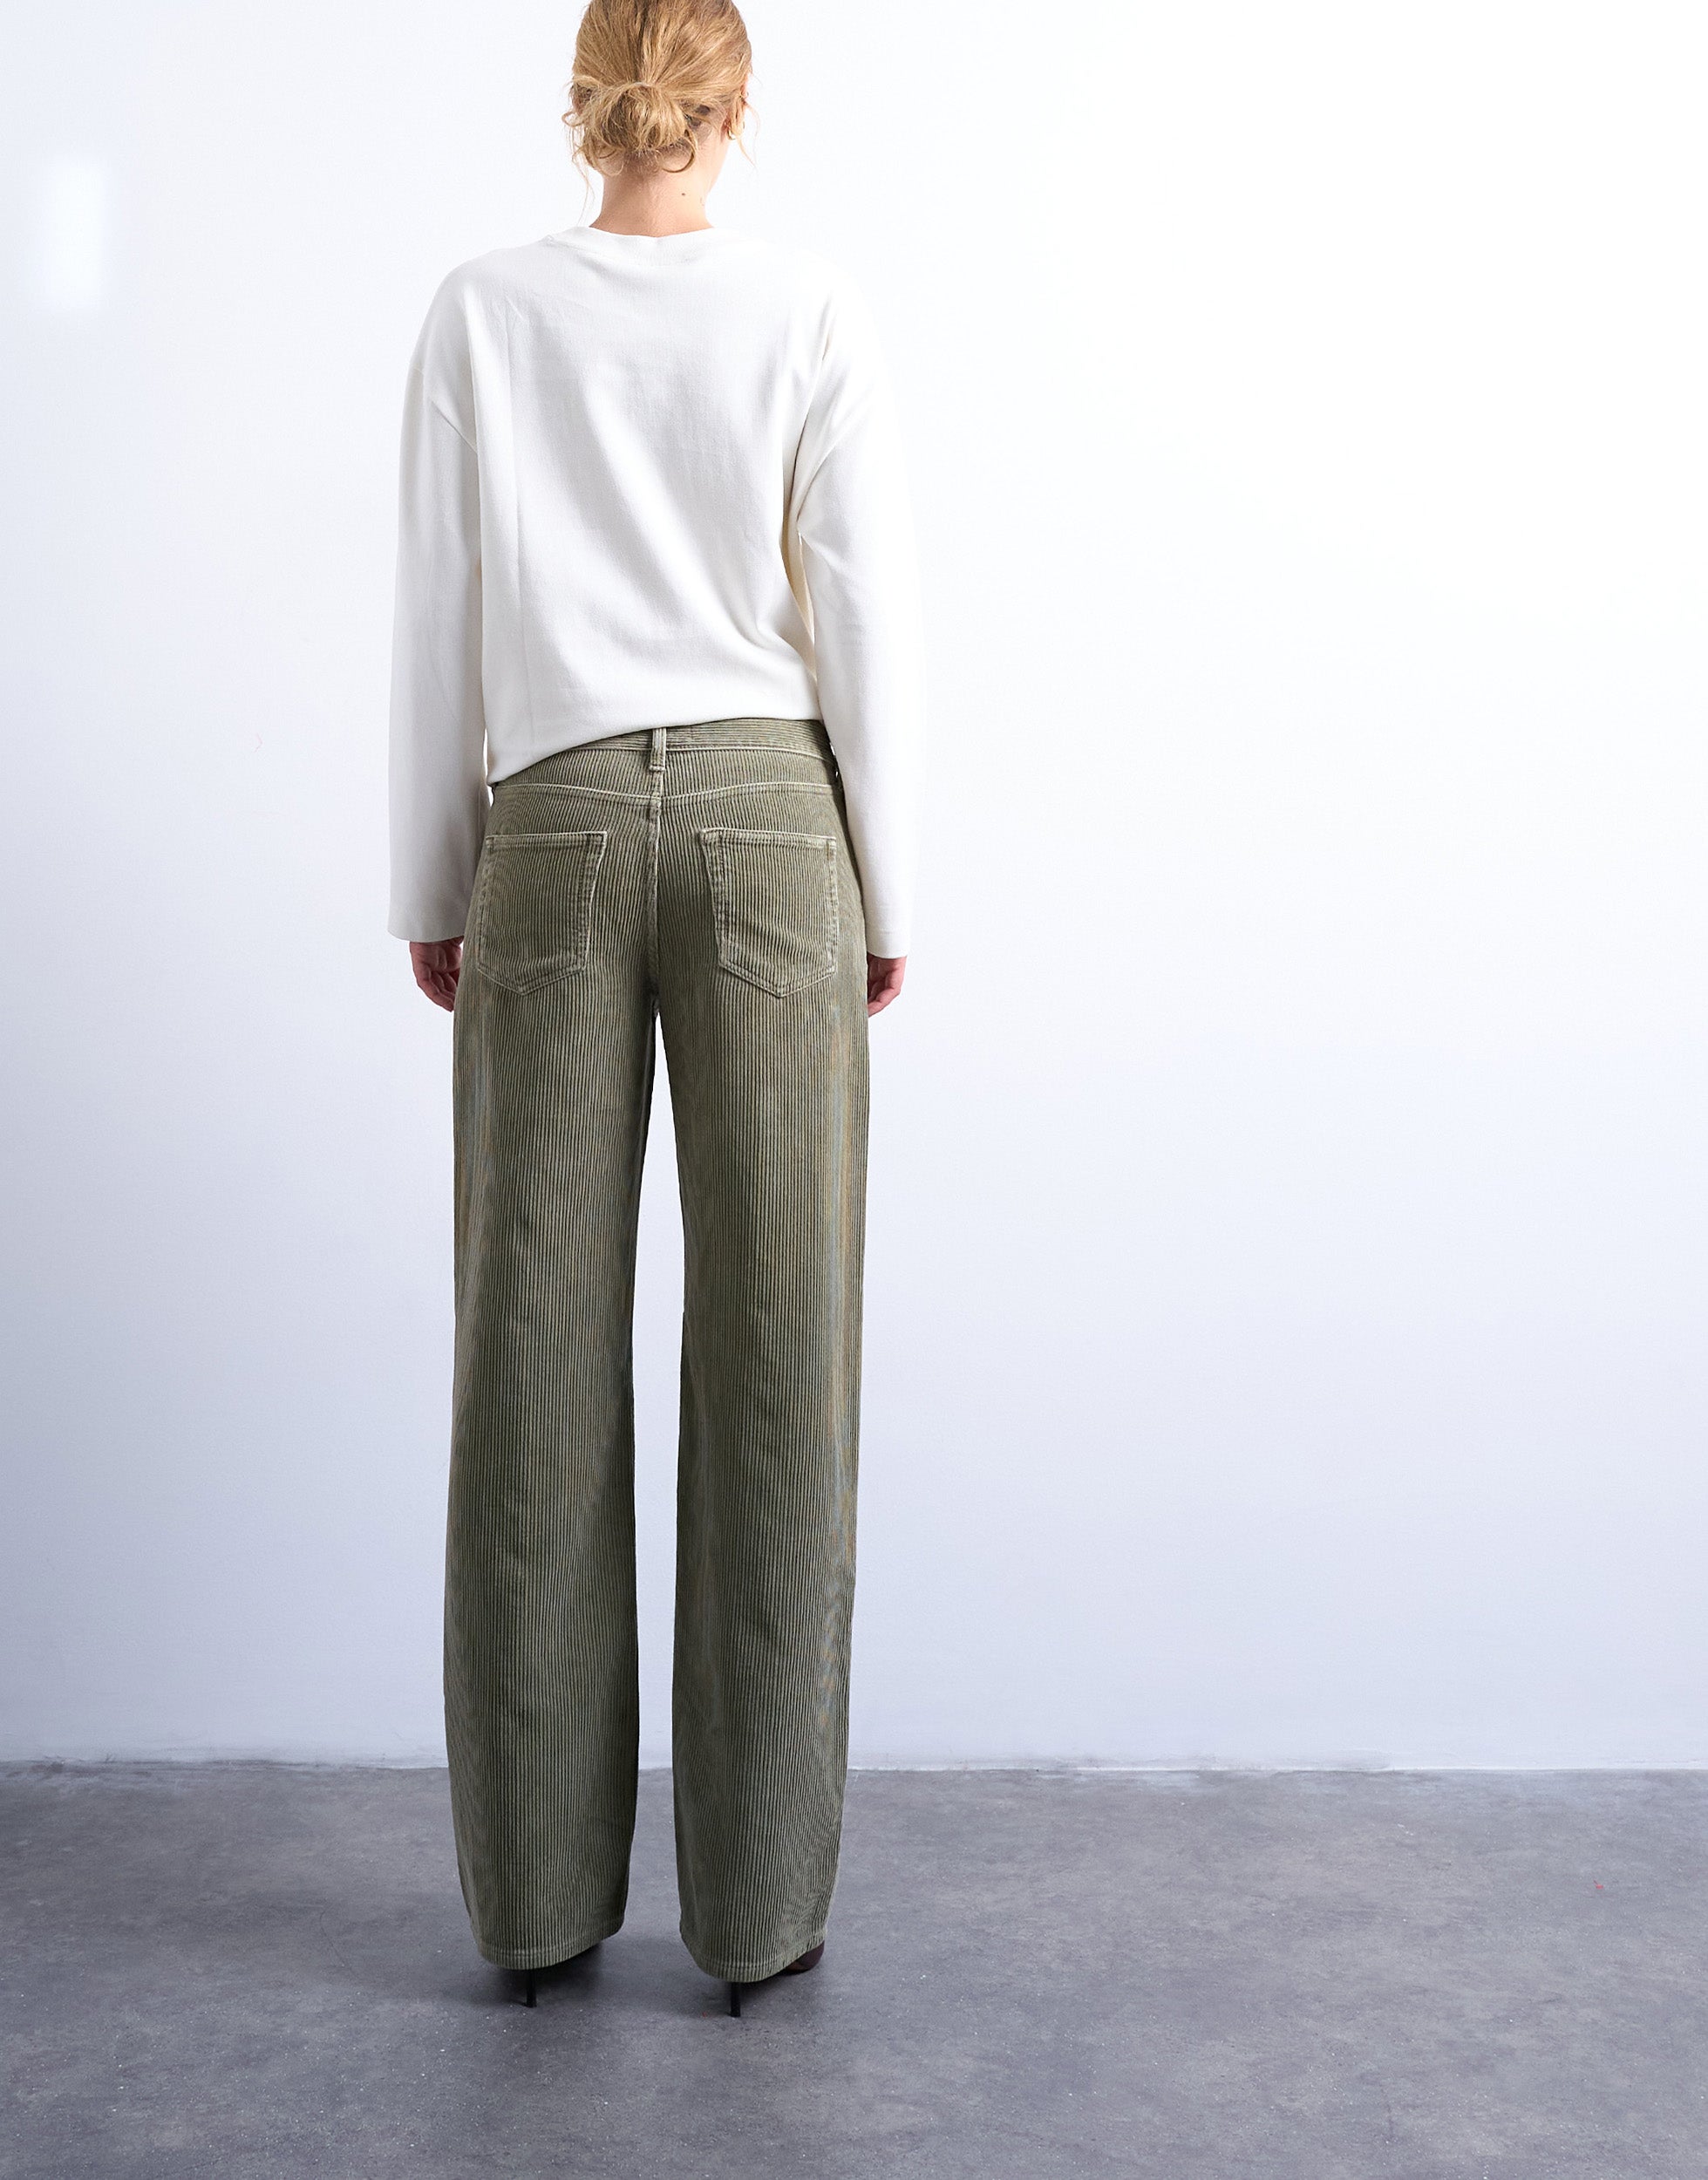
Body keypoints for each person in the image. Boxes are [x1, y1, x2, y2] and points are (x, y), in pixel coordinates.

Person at [385, 0, 924, 2014]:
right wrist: (889, 882)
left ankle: (535, 1908)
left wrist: (430, 875)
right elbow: (862, 611)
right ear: (733, 105)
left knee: (530, 1357)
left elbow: (438, 609)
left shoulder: (481, 310)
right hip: (779, 829)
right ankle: (758, 1914)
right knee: (782, 1360)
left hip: (549, 825)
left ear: (585, 101)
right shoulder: (807, 308)